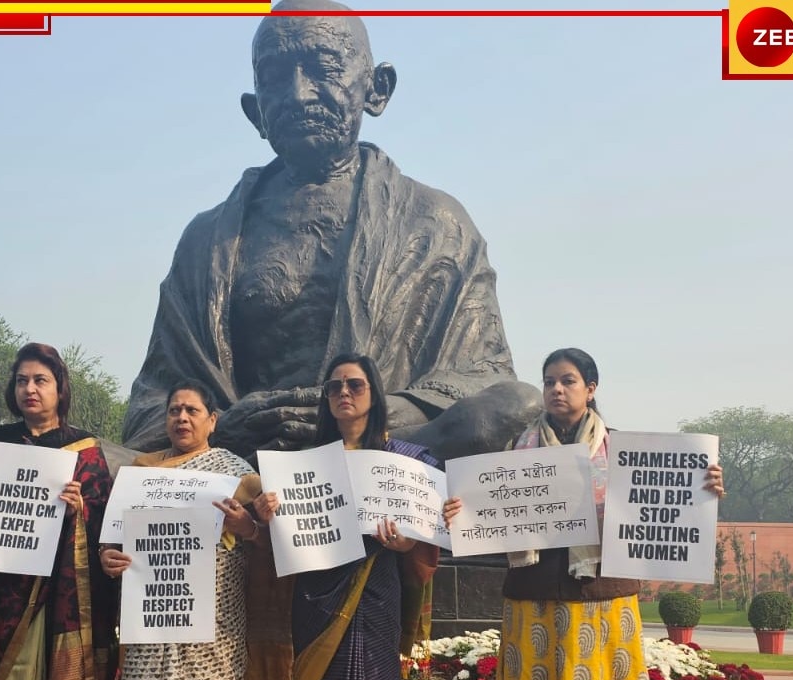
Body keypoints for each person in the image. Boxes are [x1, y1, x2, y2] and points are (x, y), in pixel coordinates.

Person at [121, 0, 540, 463]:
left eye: (323, 67)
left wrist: (370, 414)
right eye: (275, 77)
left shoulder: (435, 221)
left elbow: (484, 376)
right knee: (81, 461)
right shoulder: (206, 242)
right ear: (254, 110)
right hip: (243, 458)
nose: (299, 94)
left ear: (377, 89)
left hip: (379, 450)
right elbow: (148, 406)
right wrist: (223, 424)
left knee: (518, 404)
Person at [441, 348, 727, 680]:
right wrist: (461, 512)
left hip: (602, 594)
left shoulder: (623, 450)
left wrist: (703, 487)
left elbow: (664, 503)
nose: (556, 389)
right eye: (549, 382)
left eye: (567, 381)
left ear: (590, 389)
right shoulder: (515, 451)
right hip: (533, 595)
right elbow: (491, 513)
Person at [253, 353, 440, 680]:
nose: (344, 392)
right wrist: (267, 514)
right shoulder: (304, 462)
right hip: (315, 593)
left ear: (373, 394)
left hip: (377, 588)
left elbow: (425, 527)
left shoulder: (401, 460)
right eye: (334, 386)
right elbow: (283, 535)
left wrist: (406, 543)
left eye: (355, 385)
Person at [99, 379, 284, 680]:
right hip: (151, 624)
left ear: (212, 420)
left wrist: (248, 528)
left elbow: (274, 540)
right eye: (174, 410)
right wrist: (107, 557)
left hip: (214, 626)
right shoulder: (142, 473)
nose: (181, 417)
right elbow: (112, 539)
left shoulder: (237, 475)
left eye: (192, 410)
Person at [0, 343, 118, 680]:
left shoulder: (85, 449)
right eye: (22, 381)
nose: (29, 389)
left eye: (40, 380)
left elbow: (106, 518)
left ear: (59, 389)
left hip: (68, 596)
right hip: (10, 591)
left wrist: (80, 508)